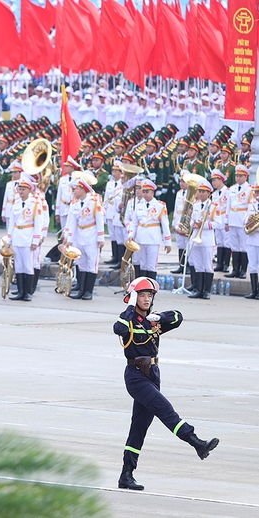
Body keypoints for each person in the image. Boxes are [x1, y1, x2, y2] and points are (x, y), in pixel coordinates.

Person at [114, 277, 219, 491]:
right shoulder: (129, 320)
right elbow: (119, 328)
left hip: (152, 375)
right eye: (142, 295)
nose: (146, 299)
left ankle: (126, 474)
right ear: (135, 297)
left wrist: (159, 316)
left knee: (138, 428)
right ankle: (196, 442)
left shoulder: (153, 321)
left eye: (149, 296)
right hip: (135, 376)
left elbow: (178, 317)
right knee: (166, 411)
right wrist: (130, 305)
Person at [62, 171, 103, 300]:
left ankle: (88, 291)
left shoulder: (94, 202)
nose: (75, 190)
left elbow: (99, 220)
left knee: (91, 263)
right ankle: (81, 289)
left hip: (91, 235)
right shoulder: (74, 203)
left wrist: (100, 238)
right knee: (80, 262)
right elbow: (71, 222)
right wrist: (68, 238)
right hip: (79, 236)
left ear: (84, 190)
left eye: (78, 188)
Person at [6, 174, 46, 301]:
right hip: (18, 236)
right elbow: (12, 223)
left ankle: (28, 292)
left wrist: (36, 240)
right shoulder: (16, 203)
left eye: (23, 189)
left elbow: (38, 223)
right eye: (19, 189)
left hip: (28, 237)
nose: (21, 191)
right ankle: (20, 291)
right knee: (19, 266)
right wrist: (9, 240)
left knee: (28, 266)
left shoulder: (35, 204)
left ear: (29, 190)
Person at [127, 179, 171, 281]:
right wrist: (131, 235)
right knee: (142, 265)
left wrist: (167, 242)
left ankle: (151, 288)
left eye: (147, 192)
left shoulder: (160, 206)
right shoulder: (139, 206)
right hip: (140, 238)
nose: (145, 194)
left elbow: (165, 225)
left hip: (153, 238)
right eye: (144, 192)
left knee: (151, 265)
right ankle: (142, 287)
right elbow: (134, 223)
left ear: (153, 192)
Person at [186, 179, 220, 299]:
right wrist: (192, 224)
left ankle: (207, 290)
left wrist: (203, 226)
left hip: (207, 239)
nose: (200, 193)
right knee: (198, 265)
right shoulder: (194, 205)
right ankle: (199, 290)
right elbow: (191, 220)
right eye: (199, 191)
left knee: (207, 265)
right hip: (195, 237)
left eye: (203, 191)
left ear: (209, 193)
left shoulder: (213, 206)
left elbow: (218, 224)